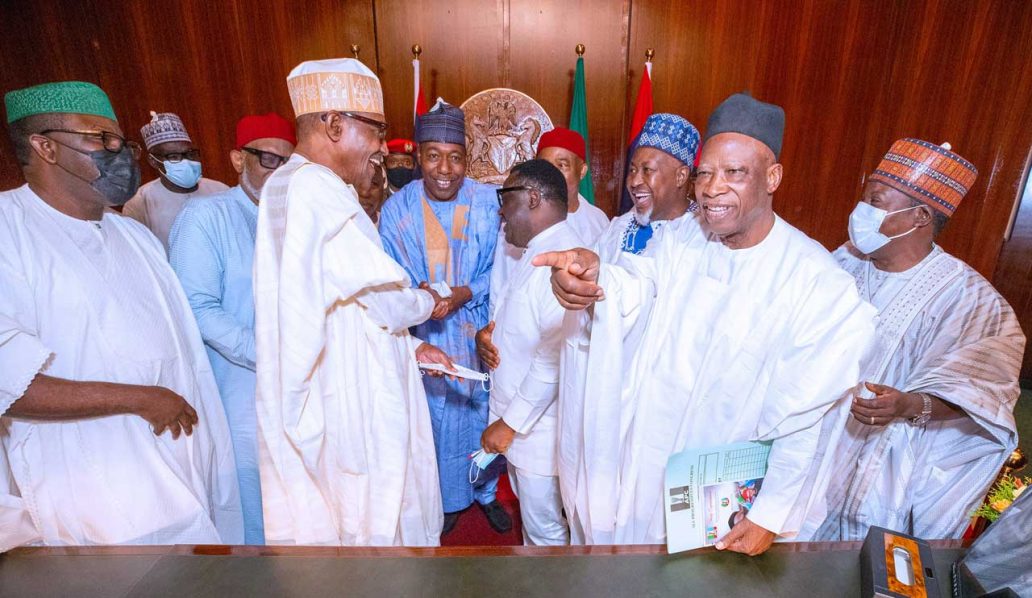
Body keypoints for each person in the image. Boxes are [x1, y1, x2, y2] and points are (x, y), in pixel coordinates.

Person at [534, 93, 876, 554]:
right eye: (705, 173)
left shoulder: (816, 282)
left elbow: (803, 416)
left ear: (773, 177)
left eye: (735, 173)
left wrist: (769, 513)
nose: (712, 188)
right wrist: (596, 280)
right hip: (648, 463)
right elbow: (636, 284)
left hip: (728, 490)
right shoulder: (680, 240)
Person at [0, 81, 242, 548]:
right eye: (100, 139)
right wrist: (140, 398)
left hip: (180, 475)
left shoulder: (134, 236)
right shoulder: (9, 231)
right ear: (45, 147)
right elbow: (9, 384)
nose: (120, 153)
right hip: (91, 491)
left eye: (119, 140)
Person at [253, 58, 449, 546]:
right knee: (373, 524)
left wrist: (411, 347)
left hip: (332, 376)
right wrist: (430, 298)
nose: (383, 146)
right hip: (351, 394)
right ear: (335, 124)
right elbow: (384, 304)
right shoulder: (318, 188)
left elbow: (342, 300)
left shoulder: (283, 184)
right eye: (377, 130)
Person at [806, 139, 1024, 541]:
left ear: (920, 216)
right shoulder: (844, 260)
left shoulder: (972, 301)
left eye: (875, 200)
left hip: (886, 469)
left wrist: (909, 404)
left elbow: (984, 393)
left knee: (860, 558)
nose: (862, 210)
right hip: (812, 439)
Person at [378, 98, 511, 535]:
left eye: (455, 157)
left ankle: (486, 493)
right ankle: (445, 499)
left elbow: (505, 270)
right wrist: (420, 296)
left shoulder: (490, 203)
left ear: (467, 159)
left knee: (483, 414)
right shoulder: (396, 211)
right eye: (434, 155)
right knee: (436, 420)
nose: (445, 169)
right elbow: (389, 281)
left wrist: (465, 293)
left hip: (481, 332)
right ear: (418, 156)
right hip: (427, 336)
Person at [168, 112, 296, 545]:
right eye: (269, 159)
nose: (279, 172)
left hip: (296, 386)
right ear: (238, 159)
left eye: (289, 163)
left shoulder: (295, 219)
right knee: (252, 510)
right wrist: (272, 356)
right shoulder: (206, 217)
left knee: (295, 507)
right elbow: (198, 308)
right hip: (238, 391)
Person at [476, 160, 580, 545]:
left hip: (539, 433)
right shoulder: (535, 251)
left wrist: (509, 424)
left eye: (506, 198)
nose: (501, 211)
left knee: (546, 534)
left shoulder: (562, 259)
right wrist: (487, 338)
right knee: (535, 529)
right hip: (524, 430)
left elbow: (554, 359)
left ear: (533, 198)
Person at [122, 111, 228, 252]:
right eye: (173, 156)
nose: (186, 161)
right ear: (153, 161)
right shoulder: (140, 202)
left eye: (190, 154)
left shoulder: (221, 191)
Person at [536, 127, 609, 243]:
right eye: (544, 165)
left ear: (582, 171)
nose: (551, 174)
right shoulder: (521, 219)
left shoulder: (598, 221)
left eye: (562, 165)